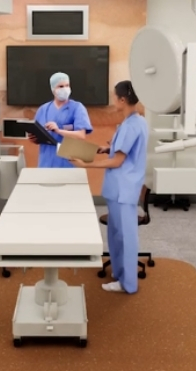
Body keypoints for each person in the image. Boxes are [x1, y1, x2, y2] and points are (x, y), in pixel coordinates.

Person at [69, 80, 148, 294]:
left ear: (122, 99)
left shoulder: (130, 126)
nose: (113, 99)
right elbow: (126, 152)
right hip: (121, 188)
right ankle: (119, 272)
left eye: (114, 96)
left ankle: (128, 283)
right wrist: (108, 149)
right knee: (116, 234)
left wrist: (86, 165)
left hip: (124, 189)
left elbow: (118, 162)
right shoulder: (136, 121)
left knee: (125, 238)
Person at [30, 72, 92, 168]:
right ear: (53, 89)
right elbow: (39, 134)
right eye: (61, 86)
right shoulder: (44, 109)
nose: (65, 89)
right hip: (46, 161)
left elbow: (81, 135)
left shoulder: (77, 108)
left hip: (69, 162)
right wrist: (34, 139)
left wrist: (59, 130)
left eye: (67, 85)